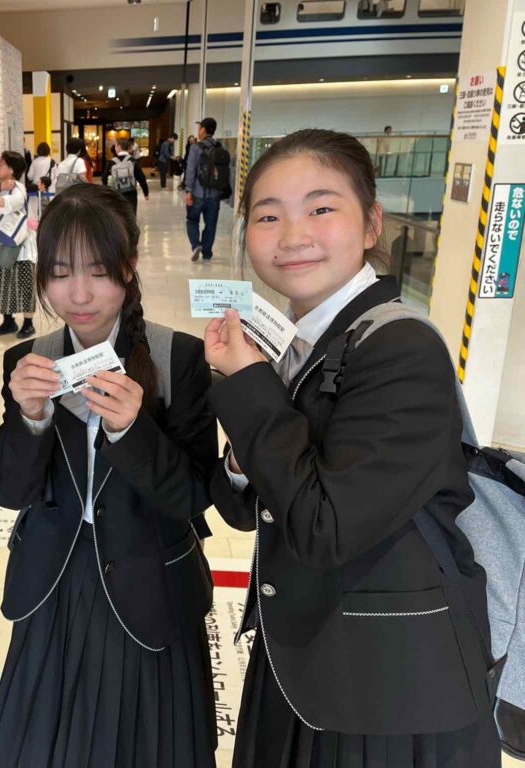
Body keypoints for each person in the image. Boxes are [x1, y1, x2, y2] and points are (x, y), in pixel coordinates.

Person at [204, 129, 501, 768]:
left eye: (321, 208)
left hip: (386, 689)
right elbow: (249, 509)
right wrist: (241, 454)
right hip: (310, 659)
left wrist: (250, 388)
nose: (292, 235)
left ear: (371, 224)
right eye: (268, 216)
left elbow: (325, 529)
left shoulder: (400, 348)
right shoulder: (303, 343)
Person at [0, 183, 219, 768]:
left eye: (99, 271)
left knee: (150, 746)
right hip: (54, 583)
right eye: (61, 273)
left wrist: (133, 430)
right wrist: (32, 419)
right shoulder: (27, 360)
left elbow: (193, 495)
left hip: (149, 583)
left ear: (130, 266)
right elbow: (9, 491)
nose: (80, 293)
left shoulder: (177, 357)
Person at [0, 150, 38, 339]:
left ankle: (28, 324)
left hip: (19, 247)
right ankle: (8, 321)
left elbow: (14, 202)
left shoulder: (19, 187)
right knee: (2, 283)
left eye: (1, 164)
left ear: (11, 169)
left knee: (24, 284)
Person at [185, 118, 227, 262]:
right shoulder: (220, 147)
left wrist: (188, 190)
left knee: (192, 220)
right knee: (211, 224)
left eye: (199, 128)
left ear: (203, 129)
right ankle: (207, 253)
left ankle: (196, 245)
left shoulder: (195, 147)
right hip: (214, 194)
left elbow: (191, 170)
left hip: (197, 193)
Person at [102, 136, 150, 215]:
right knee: (131, 214)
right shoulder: (132, 161)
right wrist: (146, 192)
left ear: (119, 147)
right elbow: (141, 177)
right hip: (131, 193)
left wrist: (108, 192)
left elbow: (104, 178)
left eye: (115, 146)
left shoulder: (111, 162)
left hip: (116, 194)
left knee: (118, 215)